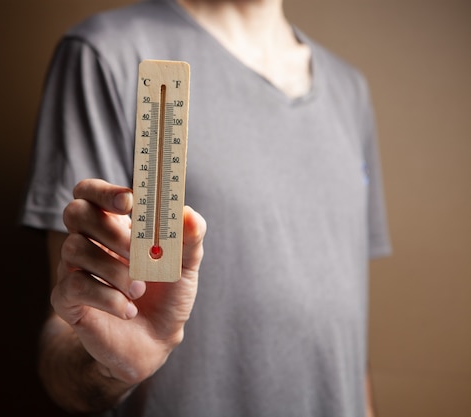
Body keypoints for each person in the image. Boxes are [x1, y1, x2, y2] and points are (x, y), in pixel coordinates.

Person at [20, 0, 391, 415]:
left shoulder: (350, 89)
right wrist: (112, 368)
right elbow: (67, 341)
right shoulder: (105, 53)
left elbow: (347, 336)